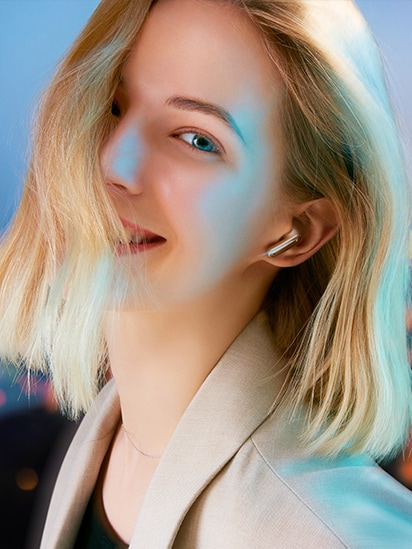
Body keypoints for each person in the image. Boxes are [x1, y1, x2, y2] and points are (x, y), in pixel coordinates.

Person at [1, 0, 411, 546]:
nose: (113, 165)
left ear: (300, 231)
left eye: (197, 139)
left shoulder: (331, 533)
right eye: (112, 105)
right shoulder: (110, 434)